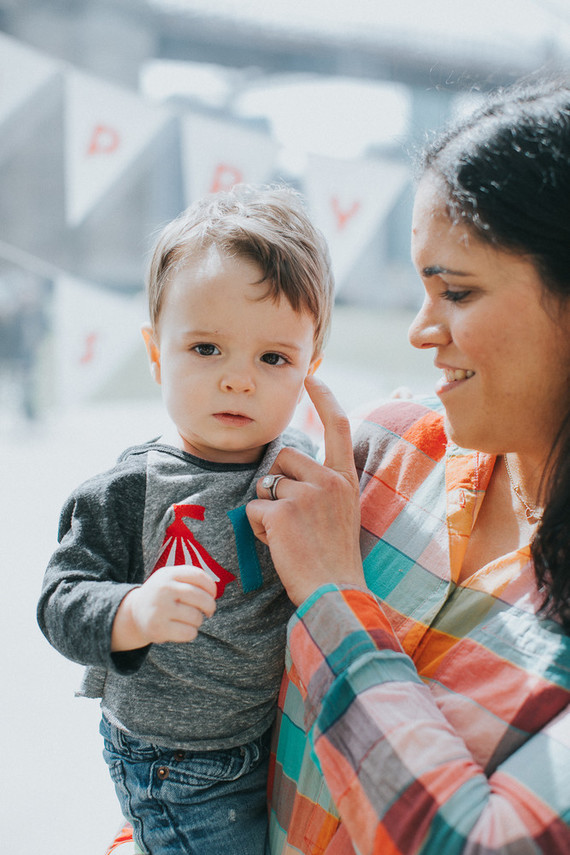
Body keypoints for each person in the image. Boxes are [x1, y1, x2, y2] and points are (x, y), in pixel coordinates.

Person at [245, 80, 570, 854]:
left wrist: (333, 595)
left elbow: (484, 844)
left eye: (454, 290)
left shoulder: (333, 533)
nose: (422, 331)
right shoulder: (377, 457)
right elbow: (201, 709)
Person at [37, 184, 334, 855]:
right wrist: (132, 610)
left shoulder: (296, 465)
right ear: (154, 351)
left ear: (310, 369)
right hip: (175, 762)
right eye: (206, 349)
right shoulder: (132, 488)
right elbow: (58, 600)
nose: (238, 379)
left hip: (269, 732)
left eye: (273, 358)